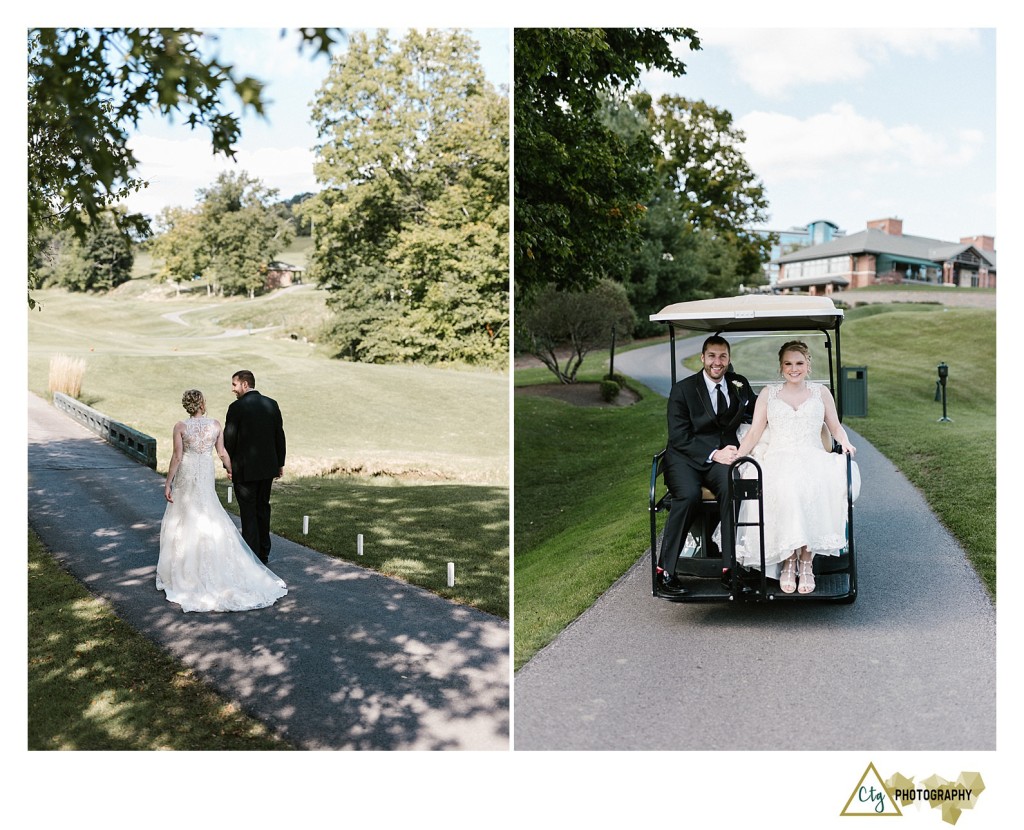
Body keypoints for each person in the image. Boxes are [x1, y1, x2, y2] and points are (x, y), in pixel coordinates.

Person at [733, 340, 858, 594]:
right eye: (788, 363)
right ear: (781, 367)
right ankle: (789, 560)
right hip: (779, 456)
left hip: (813, 455)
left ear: (808, 365)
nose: (794, 368)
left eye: (799, 363)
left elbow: (834, 426)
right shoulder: (770, 393)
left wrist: (845, 442)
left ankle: (806, 561)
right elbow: (756, 430)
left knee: (811, 484)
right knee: (787, 486)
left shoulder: (821, 392)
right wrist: (739, 454)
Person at [156, 389, 287, 612]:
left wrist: (168, 482)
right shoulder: (215, 425)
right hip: (205, 471)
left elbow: (177, 456)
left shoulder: (180, 427)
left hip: (187, 471)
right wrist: (230, 469)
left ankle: (186, 568)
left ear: (187, 406)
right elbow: (223, 452)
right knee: (208, 510)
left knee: (185, 514)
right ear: (202, 404)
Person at [659, 335, 756, 592]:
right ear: (702, 358)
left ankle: (729, 568)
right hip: (685, 459)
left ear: (729, 359)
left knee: (733, 487)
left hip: (721, 459)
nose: (717, 362)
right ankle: (665, 570)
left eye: (723, 356)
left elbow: (758, 410)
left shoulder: (738, 384)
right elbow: (679, 437)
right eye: (712, 356)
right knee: (689, 496)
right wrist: (715, 453)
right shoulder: (683, 390)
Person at [223, 370, 286, 564]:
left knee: (248, 511)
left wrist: (228, 465)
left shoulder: (236, 407)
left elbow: (229, 439)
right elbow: (279, 436)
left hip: (244, 468)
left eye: (234, 385)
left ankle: (251, 555)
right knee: (263, 508)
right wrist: (280, 463)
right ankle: (264, 553)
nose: (232, 389)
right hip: (268, 467)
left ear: (244, 384)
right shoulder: (271, 404)